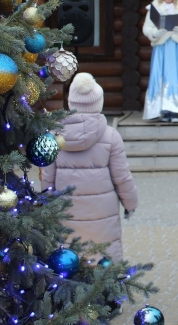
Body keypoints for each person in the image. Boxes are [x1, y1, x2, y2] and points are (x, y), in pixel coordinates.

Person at [41, 73, 138, 262]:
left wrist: (47, 207)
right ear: (98, 103)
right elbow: (122, 177)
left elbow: (47, 177)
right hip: (103, 215)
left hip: (66, 213)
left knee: (69, 259)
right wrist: (130, 204)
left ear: (71, 103)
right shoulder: (111, 136)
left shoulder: (54, 136)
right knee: (105, 259)